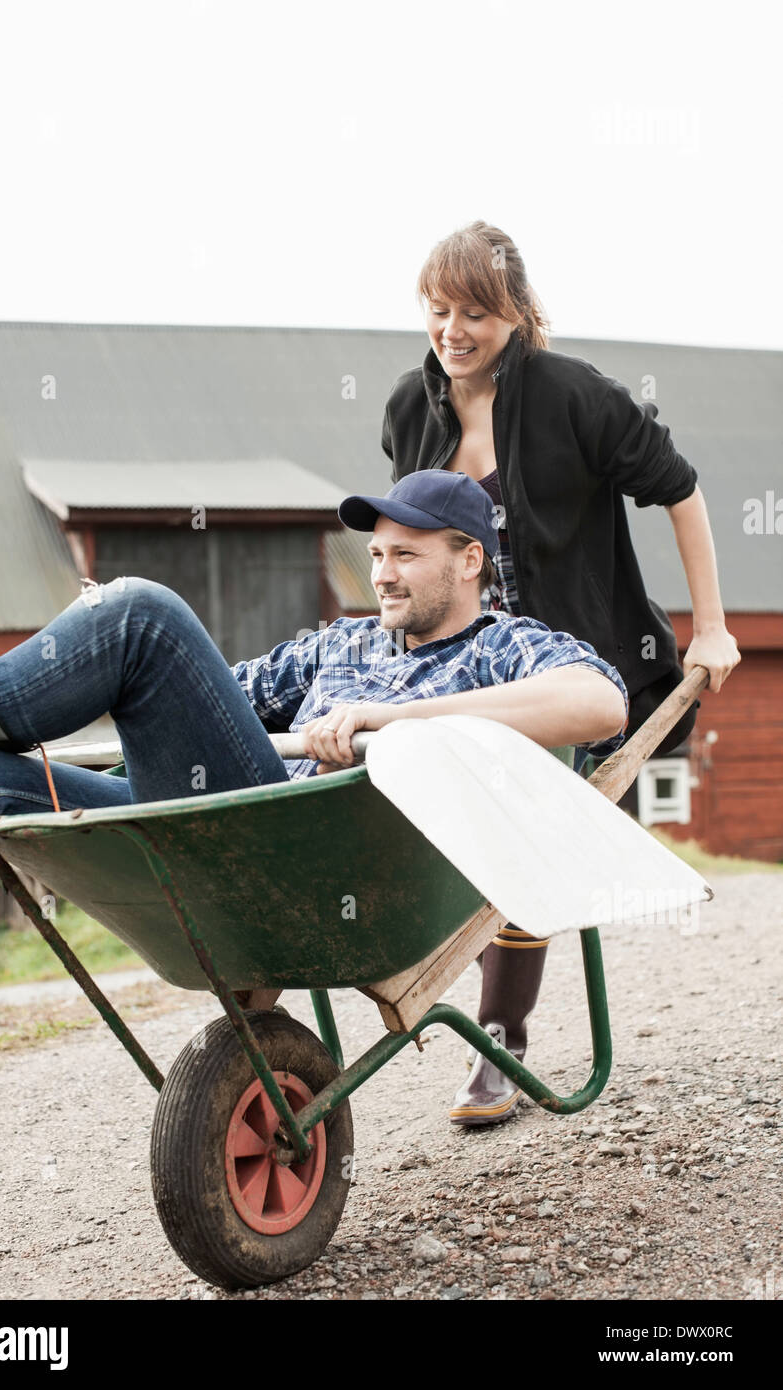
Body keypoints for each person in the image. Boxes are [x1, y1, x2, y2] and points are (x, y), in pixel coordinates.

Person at [0, 471, 628, 933]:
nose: (382, 575)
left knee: (140, 612)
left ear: (470, 560)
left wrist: (390, 720)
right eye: (376, 555)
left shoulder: (500, 648)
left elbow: (600, 705)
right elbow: (200, 695)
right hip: (217, 827)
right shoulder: (341, 644)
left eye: (405, 556)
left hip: (308, 872)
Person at [381, 221, 741, 1126]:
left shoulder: (575, 397)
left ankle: (500, 1037)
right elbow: (408, 540)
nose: (454, 330)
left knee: (525, 821)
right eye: (439, 311)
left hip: (576, 676)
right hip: (461, 675)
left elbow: (681, 488)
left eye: (476, 312)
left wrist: (714, 628)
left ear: (515, 312)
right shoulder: (407, 411)